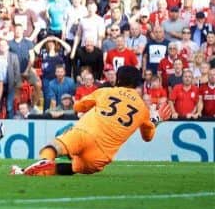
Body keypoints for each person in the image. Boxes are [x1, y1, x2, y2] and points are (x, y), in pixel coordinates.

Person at [11, 66, 172, 176]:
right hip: (101, 155)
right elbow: (148, 136)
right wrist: (156, 120)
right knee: (73, 167)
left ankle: (42, 161)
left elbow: (79, 106)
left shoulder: (106, 91)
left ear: (118, 79)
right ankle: (41, 169)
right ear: (137, 84)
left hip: (85, 133)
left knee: (56, 146)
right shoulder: (143, 108)